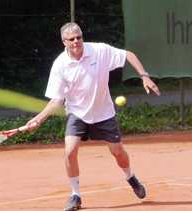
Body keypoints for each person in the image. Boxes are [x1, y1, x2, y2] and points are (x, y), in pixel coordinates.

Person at [25, 22, 160, 211]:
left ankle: (131, 177)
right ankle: (75, 195)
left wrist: (144, 76)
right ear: (64, 42)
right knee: (70, 152)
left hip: (104, 113)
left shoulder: (99, 51)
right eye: (71, 39)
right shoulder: (60, 65)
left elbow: (128, 55)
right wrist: (39, 118)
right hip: (77, 113)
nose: (76, 41)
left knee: (117, 152)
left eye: (79, 37)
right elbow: (57, 100)